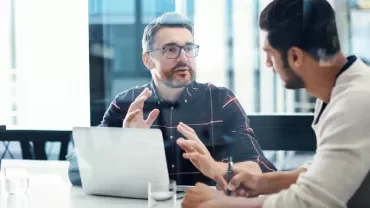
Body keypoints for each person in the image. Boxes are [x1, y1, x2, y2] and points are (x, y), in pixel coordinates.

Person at [182, 0, 370, 207]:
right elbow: (328, 171)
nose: (268, 63)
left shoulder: (355, 101)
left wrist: (220, 203)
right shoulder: (336, 91)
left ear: (296, 56)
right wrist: (262, 182)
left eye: (270, 53)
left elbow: (309, 202)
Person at [66, 12, 276, 187]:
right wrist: (123, 143)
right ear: (148, 59)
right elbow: (77, 171)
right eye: (171, 49)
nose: (183, 58)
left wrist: (214, 167)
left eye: (188, 48)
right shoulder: (127, 104)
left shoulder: (220, 101)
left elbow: (262, 170)